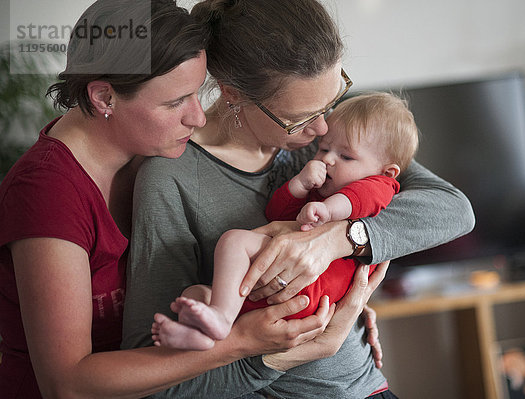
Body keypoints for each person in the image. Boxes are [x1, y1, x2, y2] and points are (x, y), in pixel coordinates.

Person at [0, 1, 381, 398]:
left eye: (198, 93)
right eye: (174, 102)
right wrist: (243, 342)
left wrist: (335, 288)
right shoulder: (47, 195)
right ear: (104, 98)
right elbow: (67, 385)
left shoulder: (147, 152)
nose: (198, 117)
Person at [122, 1, 475, 398]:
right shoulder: (171, 179)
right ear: (233, 94)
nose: (324, 127)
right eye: (302, 118)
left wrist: (337, 239)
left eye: (330, 102)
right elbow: (151, 382)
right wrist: (274, 357)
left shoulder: (329, 143)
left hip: (369, 388)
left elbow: (452, 209)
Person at [151, 91, 419, 350]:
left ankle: (220, 320)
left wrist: (327, 211)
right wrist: (299, 185)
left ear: (388, 171)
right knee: (195, 295)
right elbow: (276, 215)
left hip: (311, 290)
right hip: (281, 290)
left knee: (234, 241)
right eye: (324, 149)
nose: (327, 159)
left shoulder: (381, 185)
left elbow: (359, 200)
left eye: (345, 156)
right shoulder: (323, 190)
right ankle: (201, 336)